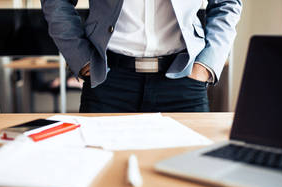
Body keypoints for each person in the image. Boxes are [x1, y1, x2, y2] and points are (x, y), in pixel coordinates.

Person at [41, 0, 242, 113]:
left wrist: (206, 66)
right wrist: (82, 59)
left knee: (188, 176)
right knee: (102, 176)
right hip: (108, 82)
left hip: (184, 79)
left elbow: (227, 4)